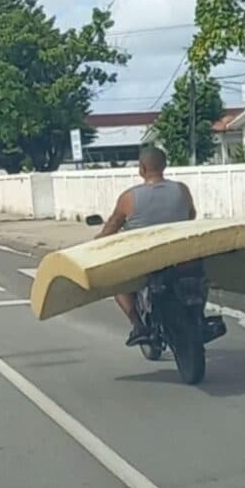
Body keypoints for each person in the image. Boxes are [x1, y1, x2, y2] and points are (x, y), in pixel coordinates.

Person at [95, 145, 198, 346]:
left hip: (143, 261)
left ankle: (138, 325)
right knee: (198, 277)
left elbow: (113, 226)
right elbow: (191, 215)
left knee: (115, 281)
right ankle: (197, 313)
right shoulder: (181, 190)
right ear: (165, 165)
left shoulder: (129, 198)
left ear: (141, 168)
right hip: (179, 256)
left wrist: (99, 240)